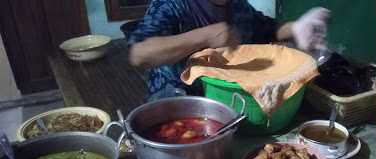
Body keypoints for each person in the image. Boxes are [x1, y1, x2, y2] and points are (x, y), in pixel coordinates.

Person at [128, 0, 330, 101]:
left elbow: (265, 27)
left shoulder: (237, 5)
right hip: (180, 102)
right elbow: (139, 54)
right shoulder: (172, 4)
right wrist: (203, 37)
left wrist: (296, 27)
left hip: (236, 99)